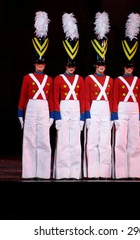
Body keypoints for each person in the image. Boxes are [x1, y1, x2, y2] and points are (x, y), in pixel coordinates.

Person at [18, 11, 54, 179]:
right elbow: (23, 96)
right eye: (38, 63)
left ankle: (43, 173)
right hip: (31, 106)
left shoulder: (49, 79)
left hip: (44, 107)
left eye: (42, 63)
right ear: (34, 63)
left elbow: (53, 98)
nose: (40, 65)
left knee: (44, 140)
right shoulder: (27, 77)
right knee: (30, 139)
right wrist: (20, 112)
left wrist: (54, 114)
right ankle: (29, 172)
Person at [52, 13, 85, 180]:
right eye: (69, 65)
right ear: (65, 65)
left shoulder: (80, 79)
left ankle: (74, 173)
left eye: (73, 65)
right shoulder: (59, 78)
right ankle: (63, 173)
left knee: (75, 143)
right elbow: (54, 98)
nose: (71, 68)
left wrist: (83, 117)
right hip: (64, 109)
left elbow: (84, 98)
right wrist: (56, 115)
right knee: (64, 142)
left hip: (76, 109)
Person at [112, 13, 140, 179]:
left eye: (131, 67)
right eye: (127, 67)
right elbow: (115, 98)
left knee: (135, 141)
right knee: (121, 141)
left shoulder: (138, 80)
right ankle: (121, 173)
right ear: (123, 67)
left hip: (135, 109)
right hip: (122, 108)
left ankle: (135, 172)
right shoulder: (118, 80)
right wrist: (114, 115)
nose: (129, 69)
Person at [83, 11, 113, 179]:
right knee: (93, 142)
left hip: (106, 109)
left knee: (105, 142)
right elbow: (86, 97)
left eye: (103, 64)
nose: (101, 67)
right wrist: (87, 115)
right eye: (99, 64)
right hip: (94, 109)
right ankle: (92, 172)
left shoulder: (110, 79)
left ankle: (105, 172)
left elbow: (113, 98)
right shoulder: (89, 79)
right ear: (95, 65)